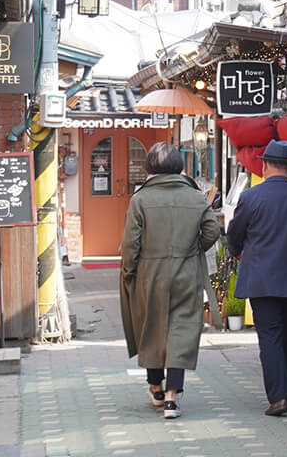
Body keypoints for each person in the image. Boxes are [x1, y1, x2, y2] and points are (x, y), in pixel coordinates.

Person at [119, 142, 220, 420]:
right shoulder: (196, 197)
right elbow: (212, 231)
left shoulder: (140, 199)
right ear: (180, 167)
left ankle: (156, 387)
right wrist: (193, 248)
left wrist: (129, 271)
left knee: (151, 329)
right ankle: (173, 399)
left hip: (149, 274)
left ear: (150, 168)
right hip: (187, 273)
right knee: (181, 331)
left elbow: (131, 244)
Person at [227, 139, 287, 417]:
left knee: (270, 336)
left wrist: (237, 253)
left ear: (265, 165)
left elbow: (235, 234)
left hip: (262, 280)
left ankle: (279, 396)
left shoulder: (251, 197)